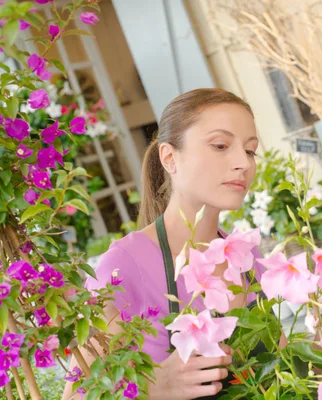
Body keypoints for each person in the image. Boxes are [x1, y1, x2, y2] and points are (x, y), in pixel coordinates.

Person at [63, 88, 263, 399]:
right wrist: (153, 387)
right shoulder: (126, 264)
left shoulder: (247, 256)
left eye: (250, 150)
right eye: (221, 145)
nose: (243, 163)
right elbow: (77, 394)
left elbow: (278, 370)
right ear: (170, 157)